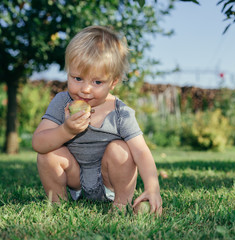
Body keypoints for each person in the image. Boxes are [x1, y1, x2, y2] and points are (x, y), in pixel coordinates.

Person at [32, 26, 162, 215]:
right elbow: (38, 143)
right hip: (74, 177)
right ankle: (58, 204)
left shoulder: (121, 112)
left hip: (108, 180)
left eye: (97, 82)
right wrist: (66, 131)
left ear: (114, 81)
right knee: (47, 154)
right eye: (77, 78)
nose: (85, 89)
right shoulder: (62, 102)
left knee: (122, 149)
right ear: (68, 72)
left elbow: (141, 152)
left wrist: (152, 187)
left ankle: (120, 204)